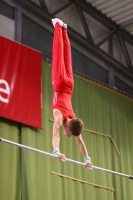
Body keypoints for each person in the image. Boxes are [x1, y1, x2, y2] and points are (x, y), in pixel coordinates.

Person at [51, 18, 92, 170]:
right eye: (69, 133)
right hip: (60, 83)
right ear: (68, 126)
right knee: (58, 55)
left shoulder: (74, 121)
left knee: (67, 58)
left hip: (70, 86)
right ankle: (57, 26)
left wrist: (87, 159)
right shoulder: (60, 117)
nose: (69, 135)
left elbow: (80, 142)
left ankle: (65, 29)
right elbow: (55, 135)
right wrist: (56, 151)